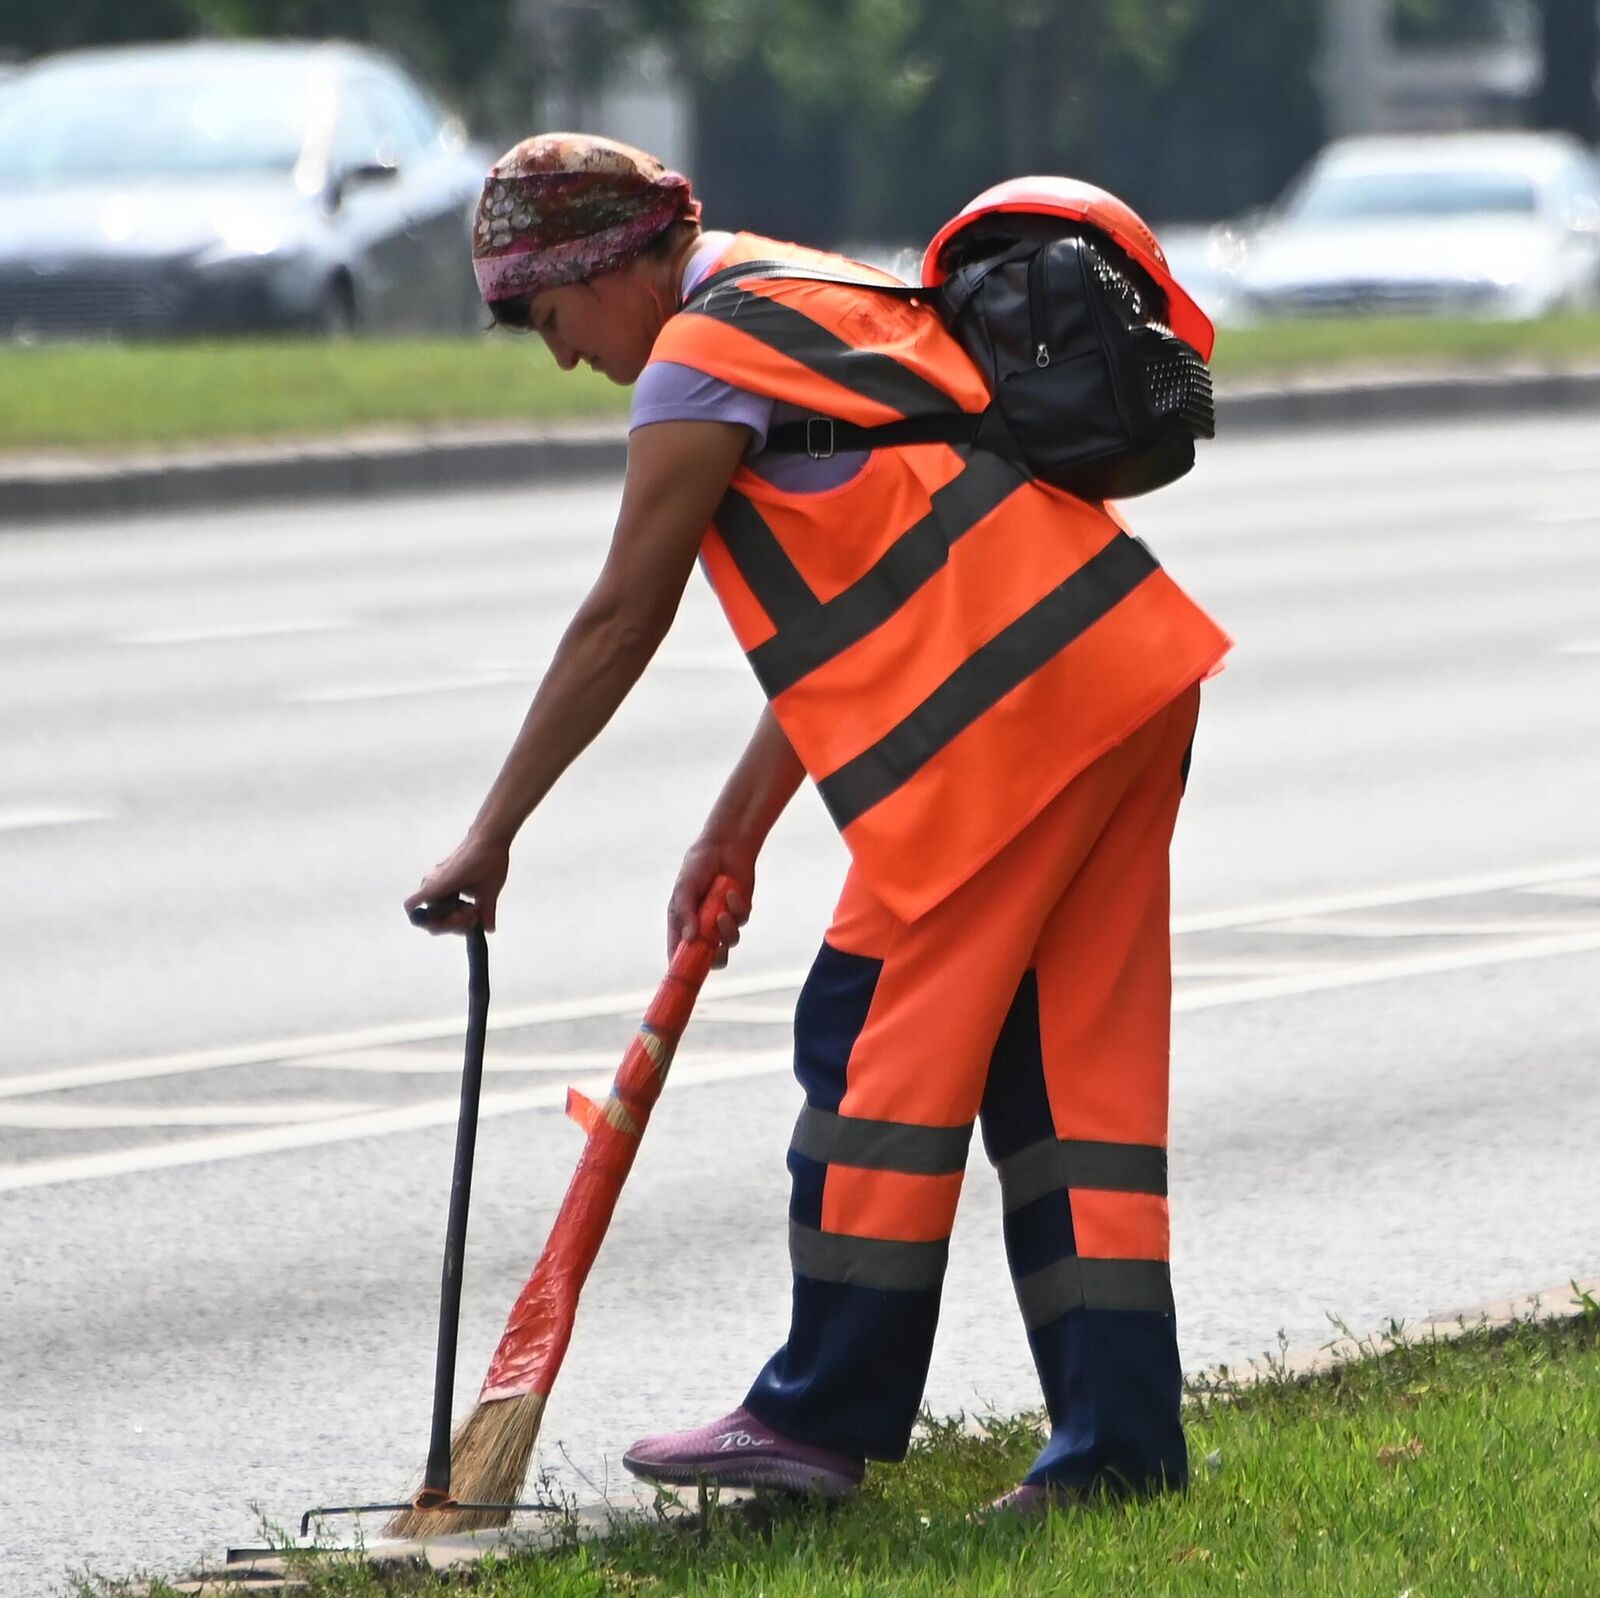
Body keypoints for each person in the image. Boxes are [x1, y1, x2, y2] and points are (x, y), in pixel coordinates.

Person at [408, 132, 1231, 1514]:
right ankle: (1122, 1452)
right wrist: (734, 829)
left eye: (553, 319)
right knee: (1065, 1086)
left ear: (610, 265)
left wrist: (491, 835)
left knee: (868, 1048)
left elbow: (623, 613)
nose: (564, 357)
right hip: (1113, 677)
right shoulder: (801, 291)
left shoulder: (700, 356)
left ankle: (818, 1415)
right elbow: (881, 570)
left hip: (1005, 730)